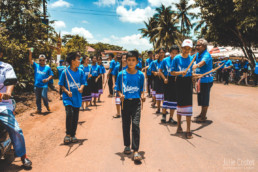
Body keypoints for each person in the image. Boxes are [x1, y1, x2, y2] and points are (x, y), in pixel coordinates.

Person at [0, 58, 32, 168]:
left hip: (2, 104)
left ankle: (23, 156)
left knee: (16, 129)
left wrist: (8, 92)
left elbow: (11, 81)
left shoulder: (6, 67)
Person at [115, 50, 145, 162]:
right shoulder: (121, 74)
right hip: (125, 103)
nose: (131, 62)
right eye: (129, 60)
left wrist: (143, 96)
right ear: (126, 61)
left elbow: (142, 90)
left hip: (136, 103)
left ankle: (136, 150)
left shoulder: (141, 75)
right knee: (126, 125)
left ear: (137, 61)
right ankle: (127, 145)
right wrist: (120, 95)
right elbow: (117, 88)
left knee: (136, 125)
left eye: (133, 60)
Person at [58, 52, 85, 144]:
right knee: (69, 114)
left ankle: (73, 134)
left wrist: (81, 88)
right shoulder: (65, 72)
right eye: (78, 59)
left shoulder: (80, 72)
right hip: (68, 98)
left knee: (75, 117)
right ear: (72, 61)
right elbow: (61, 85)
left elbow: (83, 83)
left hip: (77, 98)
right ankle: (68, 134)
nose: (79, 61)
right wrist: (66, 91)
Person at [171, 39, 194, 139]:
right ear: (182, 48)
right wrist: (181, 73)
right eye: (185, 48)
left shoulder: (192, 59)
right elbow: (172, 72)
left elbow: (192, 72)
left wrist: (195, 75)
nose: (186, 50)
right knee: (180, 105)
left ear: (190, 49)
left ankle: (188, 130)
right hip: (179, 82)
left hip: (188, 83)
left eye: (188, 49)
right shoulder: (176, 58)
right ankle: (179, 126)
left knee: (188, 106)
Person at [192, 38, 213, 122]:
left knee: (205, 99)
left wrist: (196, 65)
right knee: (200, 98)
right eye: (196, 45)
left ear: (204, 46)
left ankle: (203, 116)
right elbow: (190, 59)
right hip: (199, 80)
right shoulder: (197, 55)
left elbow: (202, 63)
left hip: (206, 80)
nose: (197, 47)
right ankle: (201, 114)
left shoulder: (206, 55)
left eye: (199, 45)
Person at [159, 45, 179, 124]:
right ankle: (164, 116)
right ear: (170, 53)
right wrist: (164, 79)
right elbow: (160, 71)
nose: (174, 55)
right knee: (166, 99)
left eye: (176, 53)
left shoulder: (178, 60)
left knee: (173, 100)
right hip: (167, 81)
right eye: (172, 53)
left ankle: (171, 117)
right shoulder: (165, 60)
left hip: (175, 81)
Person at [150, 48, 165, 114]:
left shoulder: (166, 61)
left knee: (164, 95)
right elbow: (151, 70)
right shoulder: (154, 62)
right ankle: (158, 108)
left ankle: (164, 109)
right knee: (158, 94)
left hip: (164, 79)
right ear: (158, 53)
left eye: (162, 52)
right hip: (157, 80)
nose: (161, 54)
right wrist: (155, 73)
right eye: (160, 52)